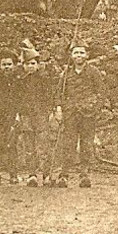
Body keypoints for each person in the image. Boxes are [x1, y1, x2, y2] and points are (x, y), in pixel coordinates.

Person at [54, 44, 105, 187]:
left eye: (82, 53)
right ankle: (64, 175)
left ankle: (84, 175)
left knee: (86, 143)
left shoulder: (93, 72)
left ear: (87, 55)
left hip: (88, 114)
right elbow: (59, 93)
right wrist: (58, 108)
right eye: (76, 53)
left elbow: (101, 93)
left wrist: (95, 108)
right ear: (71, 56)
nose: (79, 56)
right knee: (68, 143)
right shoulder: (66, 74)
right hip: (70, 113)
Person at [16, 44, 56, 186]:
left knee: (43, 146)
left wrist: (50, 112)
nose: (31, 66)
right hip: (26, 116)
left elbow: (50, 97)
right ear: (24, 66)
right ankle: (31, 174)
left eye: (33, 63)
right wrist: (18, 114)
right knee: (29, 146)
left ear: (38, 65)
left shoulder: (44, 80)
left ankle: (46, 175)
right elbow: (17, 99)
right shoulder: (20, 81)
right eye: (27, 64)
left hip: (41, 116)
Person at [0, 49, 21, 185]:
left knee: (12, 144)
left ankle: (13, 173)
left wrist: (18, 114)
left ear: (14, 65)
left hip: (14, 115)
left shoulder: (18, 80)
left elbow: (20, 98)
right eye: (4, 64)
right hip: (0, 116)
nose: (7, 67)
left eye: (9, 64)